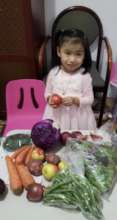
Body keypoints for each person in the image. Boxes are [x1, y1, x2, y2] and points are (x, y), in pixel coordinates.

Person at [43, 28, 97, 131]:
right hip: (57, 115)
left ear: (84, 55)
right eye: (67, 53)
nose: (72, 59)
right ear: (59, 51)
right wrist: (49, 99)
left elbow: (90, 99)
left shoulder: (84, 76)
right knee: (56, 136)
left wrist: (75, 100)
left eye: (78, 54)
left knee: (76, 138)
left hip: (77, 118)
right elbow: (47, 92)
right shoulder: (53, 73)